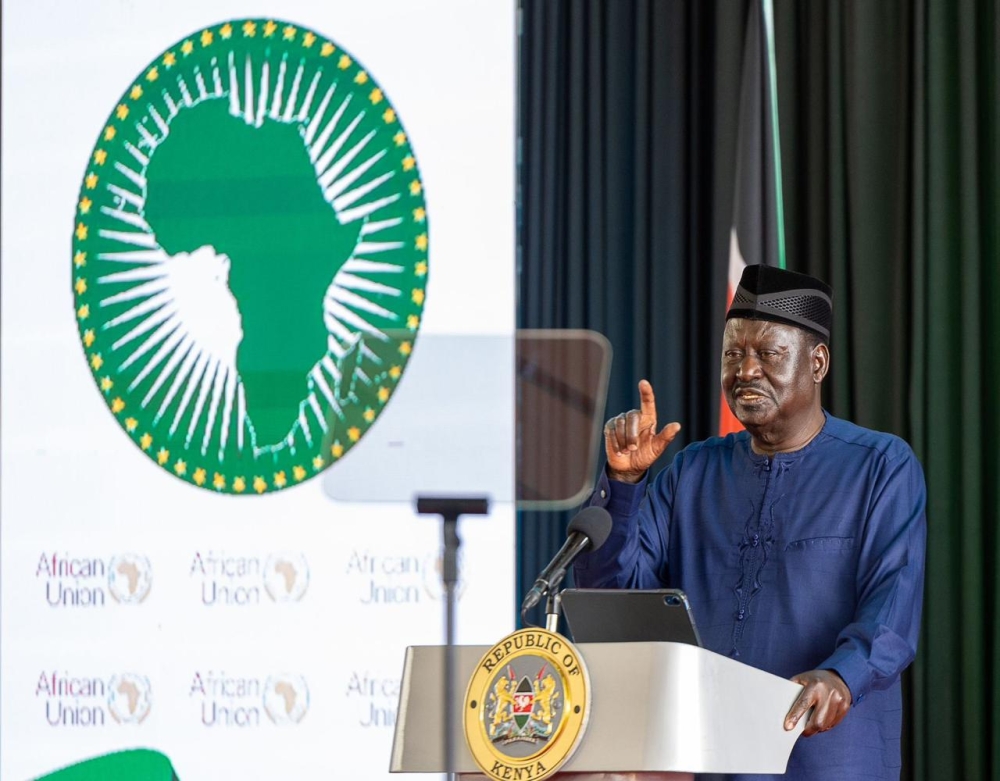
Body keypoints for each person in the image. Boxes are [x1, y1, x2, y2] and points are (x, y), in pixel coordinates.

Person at [574, 265, 926, 781]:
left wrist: (840, 677)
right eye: (733, 355)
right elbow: (615, 598)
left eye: (768, 354)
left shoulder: (879, 466)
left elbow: (891, 608)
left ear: (818, 362)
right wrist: (624, 486)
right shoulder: (693, 471)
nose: (746, 371)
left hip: (826, 758)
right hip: (700, 758)